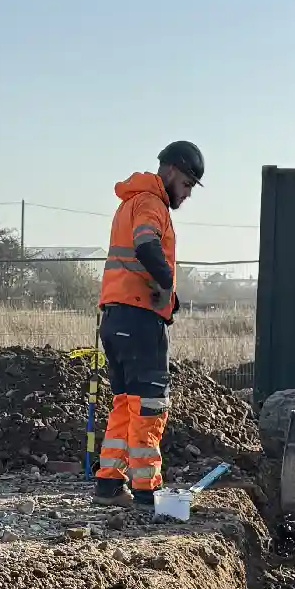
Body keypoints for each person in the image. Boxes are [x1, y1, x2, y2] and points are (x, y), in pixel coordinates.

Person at [95, 141, 204, 505]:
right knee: (150, 404)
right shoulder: (151, 203)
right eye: (187, 184)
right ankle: (147, 491)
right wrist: (167, 284)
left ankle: (109, 485)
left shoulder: (129, 202)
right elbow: (146, 245)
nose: (187, 194)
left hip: (115, 317)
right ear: (171, 171)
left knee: (125, 404)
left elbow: (137, 258)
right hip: (139, 320)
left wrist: (167, 297)